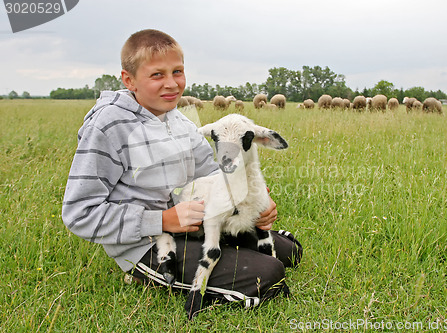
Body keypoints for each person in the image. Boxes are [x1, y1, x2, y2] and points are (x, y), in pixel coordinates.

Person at [62, 29, 302, 314]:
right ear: (129, 80)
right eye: (157, 75)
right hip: (148, 244)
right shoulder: (108, 127)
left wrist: (255, 200)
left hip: (198, 224)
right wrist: (163, 219)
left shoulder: (181, 121)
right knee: (269, 274)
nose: (172, 84)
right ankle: (141, 273)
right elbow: (79, 213)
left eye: (177, 72)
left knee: (290, 252)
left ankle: (224, 250)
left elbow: (215, 175)